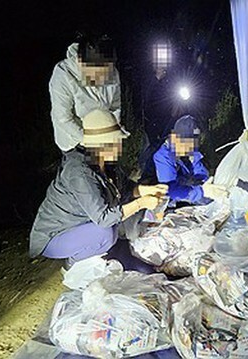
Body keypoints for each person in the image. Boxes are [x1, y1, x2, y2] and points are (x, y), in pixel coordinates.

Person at [29, 110, 168, 268]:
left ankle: (91, 251)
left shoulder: (104, 163)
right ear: (102, 144)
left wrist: (145, 190)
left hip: (81, 224)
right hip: (54, 235)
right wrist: (140, 203)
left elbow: (124, 189)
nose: (120, 145)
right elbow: (104, 218)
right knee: (105, 234)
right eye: (116, 142)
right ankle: (72, 267)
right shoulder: (79, 172)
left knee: (113, 231)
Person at [49, 34, 122, 152]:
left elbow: (115, 105)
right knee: (80, 169)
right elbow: (63, 119)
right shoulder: (63, 74)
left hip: (105, 139)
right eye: (97, 75)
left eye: (106, 74)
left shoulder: (112, 72)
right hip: (75, 143)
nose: (102, 80)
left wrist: (113, 129)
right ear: (81, 63)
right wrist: (90, 141)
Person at [153, 115, 226, 205]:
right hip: (169, 200)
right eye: (187, 142)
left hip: (191, 191)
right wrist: (202, 191)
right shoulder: (163, 156)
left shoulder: (190, 148)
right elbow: (170, 190)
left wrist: (206, 184)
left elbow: (201, 172)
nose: (190, 148)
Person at [139, 42, 180, 183]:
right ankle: (145, 175)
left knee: (164, 144)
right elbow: (145, 96)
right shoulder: (149, 78)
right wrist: (156, 77)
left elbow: (175, 94)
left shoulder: (170, 79)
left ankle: (162, 172)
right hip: (151, 119)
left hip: (167, 118)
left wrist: (176, 107)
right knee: (150, 146)